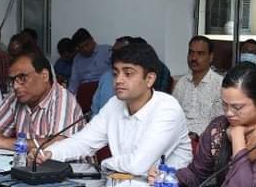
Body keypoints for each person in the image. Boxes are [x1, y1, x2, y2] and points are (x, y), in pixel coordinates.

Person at [41, 42, 192, 175]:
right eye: (115, 73)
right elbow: (83, 141)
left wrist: (105, 164)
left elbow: (138, 165)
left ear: (149, 79)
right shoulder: (114, 104)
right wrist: (49, 153)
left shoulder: (167, 109)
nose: (118, 80)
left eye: (128, 73)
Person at [0, 48, 84, 150]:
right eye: (12, 80)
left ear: (44, 76)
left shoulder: (63, 99)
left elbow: (59, 144)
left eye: (22, 78)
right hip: (28, 163)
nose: (15, 86)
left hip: (71, 165)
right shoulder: (16, 97)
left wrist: (4, 142)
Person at [172, 35, 224, 137]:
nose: (194, 58)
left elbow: (219, 123)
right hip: (180, 137)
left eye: (200, 53)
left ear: (210, 57)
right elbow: (173, 115)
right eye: (191, 53)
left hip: (206, 140)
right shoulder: (181, 83)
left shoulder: (219, 85)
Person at [66, 28, 112, 94]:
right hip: (85, 91)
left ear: (92, 40)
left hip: (104, 90)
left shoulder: (107, 51)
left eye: (87, 45)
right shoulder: (77, 59)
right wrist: (68, 96)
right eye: (81, 47)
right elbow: (74, 82)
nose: (85, 49)